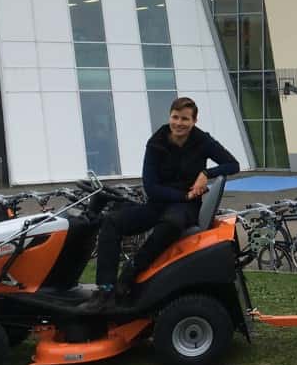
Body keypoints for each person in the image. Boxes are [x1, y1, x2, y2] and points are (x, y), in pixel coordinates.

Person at [87, 96, 239, 308]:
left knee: (170, 225)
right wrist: (182, 195)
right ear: (169, 117)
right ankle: (105, 289)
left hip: (186, 208)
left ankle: (131, 273)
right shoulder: (156, 143)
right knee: (112, 222)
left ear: (194, 121)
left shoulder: (203, 141)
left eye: (185, 119)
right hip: (160, 202)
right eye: (175, 117)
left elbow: (233, 165)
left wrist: (206, 172)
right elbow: (151, 187)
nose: (179, 123)